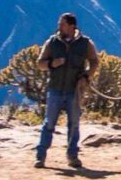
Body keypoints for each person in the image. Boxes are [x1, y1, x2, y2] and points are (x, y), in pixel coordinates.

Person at [35, 12, 100, 169]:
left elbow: (94, 61)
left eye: (62, 24)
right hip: (55, 89)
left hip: (74, 90)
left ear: (72, 26)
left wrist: (86, 75)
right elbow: (40, 63)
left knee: (74, 124)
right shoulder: (52, 42)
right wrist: (52, 64)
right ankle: (41, 157)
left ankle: (72, 156)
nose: (59, 27)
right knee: (49, 123)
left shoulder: (85, 43)